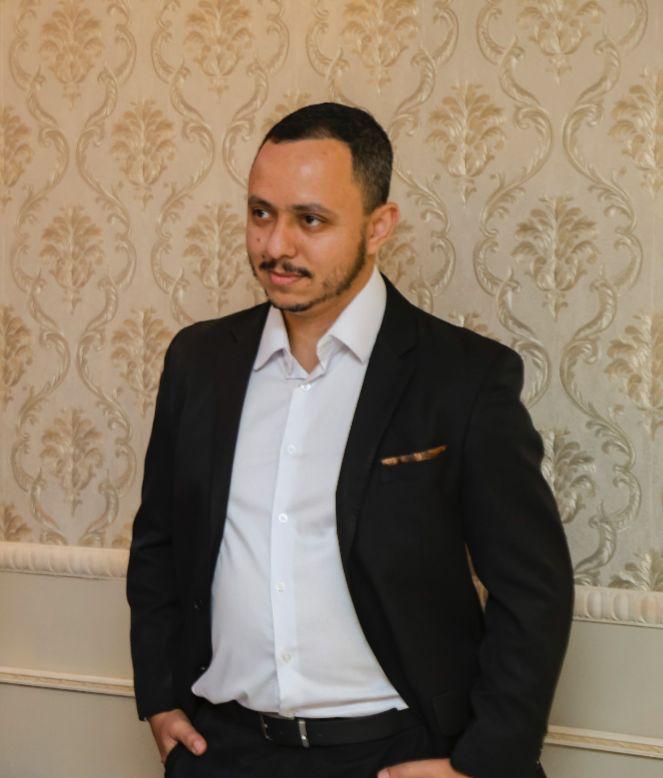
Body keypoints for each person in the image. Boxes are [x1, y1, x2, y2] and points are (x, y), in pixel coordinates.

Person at [126, 102, 574, 778]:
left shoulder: (463, 378)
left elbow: (532, 588)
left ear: (378, 226)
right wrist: (160, 698)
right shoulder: (199, 361)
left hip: (397, 754)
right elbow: (159, 540)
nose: (276, 246)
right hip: (222, 750)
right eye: (260, 213)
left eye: (310, 220)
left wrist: (480, 765)